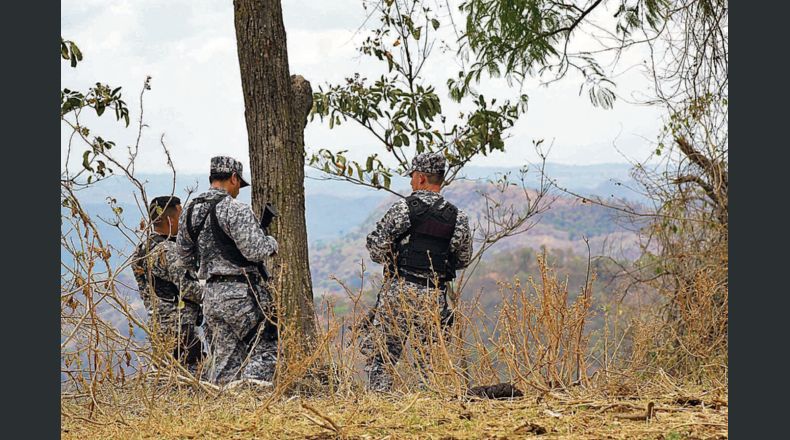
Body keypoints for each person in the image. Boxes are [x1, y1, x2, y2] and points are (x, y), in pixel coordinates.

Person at [362, 152, 473, 392]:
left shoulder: (403, 209)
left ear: (421, 178)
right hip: (434, 297)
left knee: (381, 358)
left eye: (413, 176)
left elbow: (376, 249)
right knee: (429, 362)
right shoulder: (458, 218)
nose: (411, 181)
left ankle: (378, 408)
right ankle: (428, 406)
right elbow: (463, 259)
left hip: (399, 293)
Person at [176, 156, 279, 385]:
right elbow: (255, 251)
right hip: (241, 295)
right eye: (239, 184)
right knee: (267, 349)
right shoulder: (235, 209)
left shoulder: (189, 211)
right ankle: (252, 398)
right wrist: (271, 242)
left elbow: (183, 258)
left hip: (210, 296)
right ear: (233, 178)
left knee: (225, 362)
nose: (239, 191)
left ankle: (226, 412)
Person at [132, 196, 205, 373]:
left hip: (158, 325)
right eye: (181, 216)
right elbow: (189, 289)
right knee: (193, 376)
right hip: (179, 327)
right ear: (171, 220)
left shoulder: (142, 250)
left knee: (167, 376)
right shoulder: (168, 250)